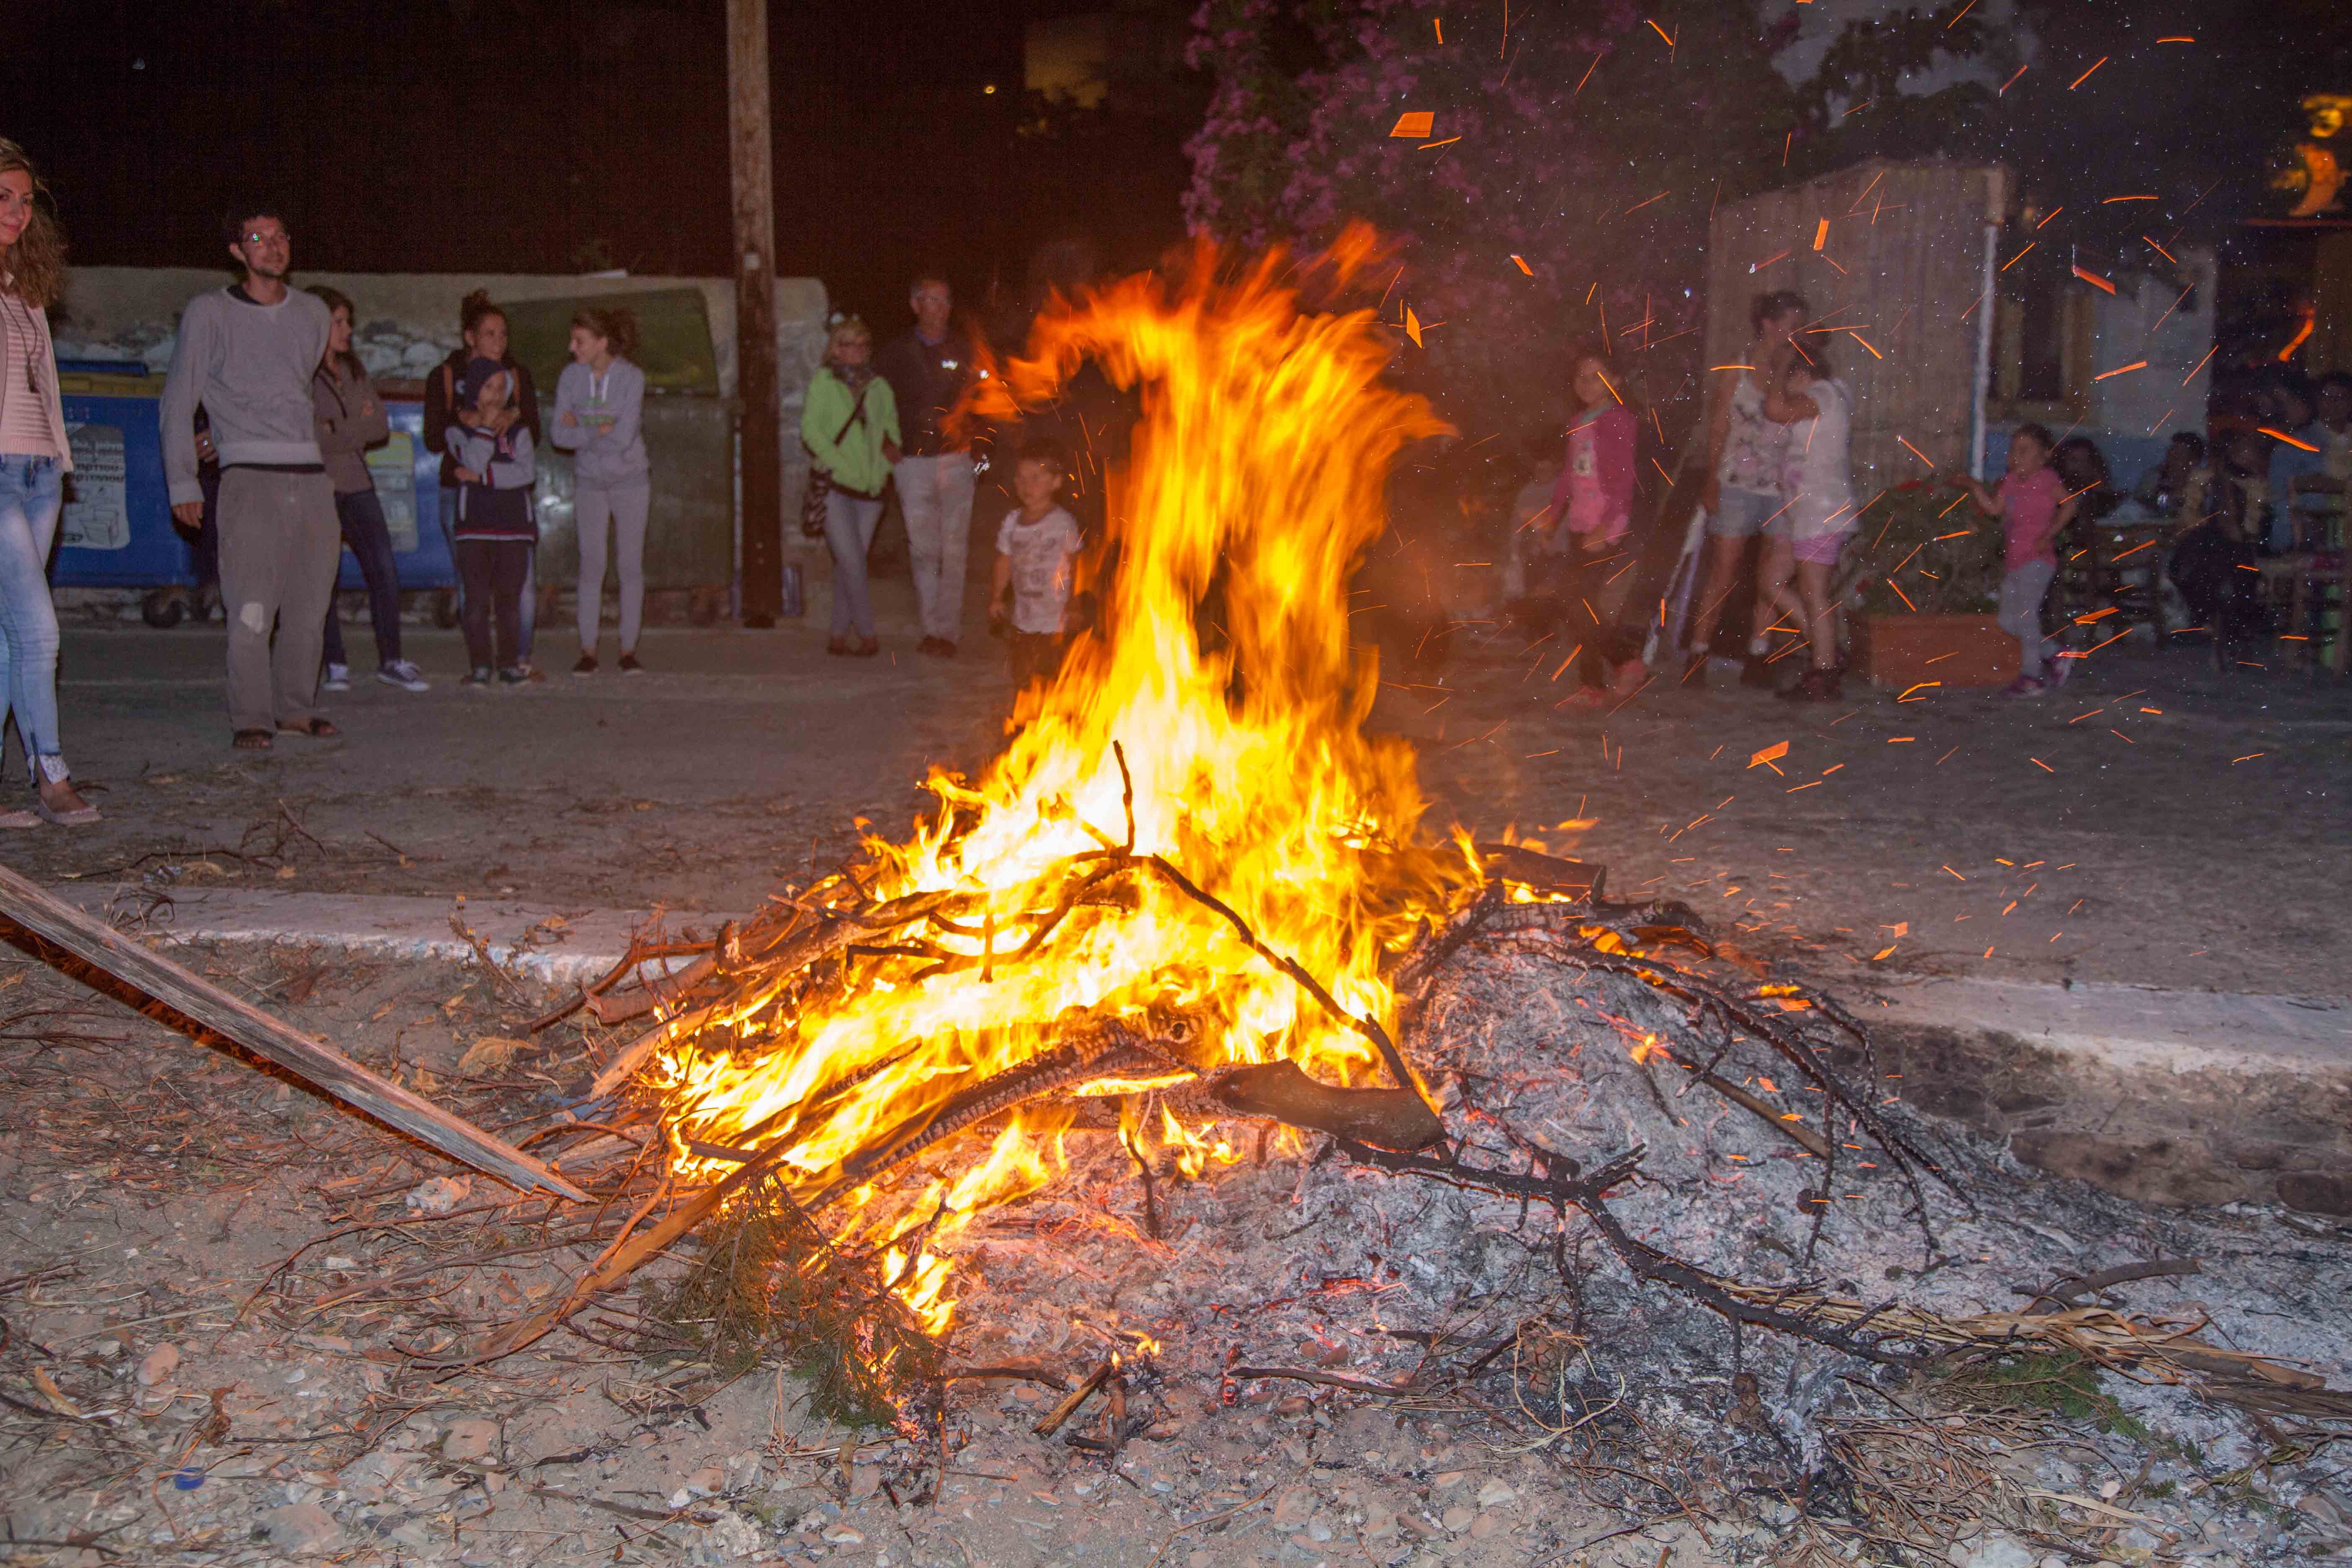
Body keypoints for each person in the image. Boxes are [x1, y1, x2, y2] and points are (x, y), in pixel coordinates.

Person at [160, 202, 340, 750]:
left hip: (310, 478)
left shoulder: (312, 313)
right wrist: (184, 479)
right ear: (238, 251)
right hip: (250, 482)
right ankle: (253, 717)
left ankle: (296, 708)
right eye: (259, 238)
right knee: (253, 609)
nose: (274, 246)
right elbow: (179, 398)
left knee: (310, 608)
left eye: (281, 235)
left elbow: (294, 388)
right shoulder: (209, 313)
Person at [0, 139, 95, 824]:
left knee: (8, 637)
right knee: (39, 631)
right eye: (2, 197)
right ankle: (51, 774)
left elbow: (46, 388)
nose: (16, 211)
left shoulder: (23, 289)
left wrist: (60, 460)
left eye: (26, 200)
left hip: (39, 472)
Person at [308, 286, 427, 694]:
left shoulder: (354, 371)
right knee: (324, 578)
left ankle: (391, 659)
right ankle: (335, 663)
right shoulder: (299, 373)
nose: (347, 330)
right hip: (320, 487)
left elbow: (378, 426)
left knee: (384, 571)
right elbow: (306, 434)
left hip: (359, 486)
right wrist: (345, 429)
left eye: (348, 322)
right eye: (338, 322)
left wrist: (334, 429)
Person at [1683, 291, 1806, 686]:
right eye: (1789, 323)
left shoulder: (1797, 371)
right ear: (1768, 324)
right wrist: (1711, 479)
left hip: (1781, 486)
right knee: (1723, 571)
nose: (1795, 332)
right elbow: (1718, 425)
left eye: (1799, 324)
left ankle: (1758, 655)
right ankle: (1699, 653)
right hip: (1737, 483)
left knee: (1772, 577)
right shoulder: (1736, 369)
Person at [425, 291, 543, 673]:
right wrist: (468, 420)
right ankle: (479, 662)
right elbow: (433, 437)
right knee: (471, 585)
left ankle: (517, 659)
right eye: (490, 334)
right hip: (461, 492)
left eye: (504, 335)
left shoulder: (517, 378)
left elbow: (533, 435)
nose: (499, 342)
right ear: (470, 338)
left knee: (519, 587)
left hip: (509, 499)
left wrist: (510, 417)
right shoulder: (446, 375)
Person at [877, 274, 978, 658]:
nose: (941, 308)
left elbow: (984, 398)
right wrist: (884, 441)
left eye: (946, 300)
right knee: (923, 549)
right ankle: (930, 628)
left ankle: (948, 632)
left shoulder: (966, 350)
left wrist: (981, 442)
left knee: (954, 549)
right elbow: (875, 401)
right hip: (912, 462)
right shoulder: (894, 353)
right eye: (931, 300)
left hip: (956, 458)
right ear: (915, 305)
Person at [552, 307, 650, 675]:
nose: (572, 347)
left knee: (629, 565)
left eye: (580, 341)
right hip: (590, 482)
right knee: (592, 564)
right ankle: (589, 650)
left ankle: (628, 650)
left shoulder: (631, 378)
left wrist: (584, 427)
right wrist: (601, 428)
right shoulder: (570, 377)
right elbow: (558, 434)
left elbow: (625, 438)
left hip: (631, 482)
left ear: (602, 343)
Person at [1759, 345, 1857, 702]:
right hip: (1803, 513)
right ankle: (1826, 649)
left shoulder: (1823, 395)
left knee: (1815, 592)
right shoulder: (1830, 394)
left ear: (1801, 374)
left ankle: (1824, 673)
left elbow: (1776, 408)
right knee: (1771, 581)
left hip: (1821, 512)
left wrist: (1779, 366)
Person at [1547, 351, 1642, 708]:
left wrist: (1606, 525)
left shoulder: (1618, 420)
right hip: (1580, 524)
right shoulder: (1580, 420)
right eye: (1580, 376)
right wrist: (1553, 515)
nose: (1585, 384)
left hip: (1605, 523)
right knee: (1578, 603)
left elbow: (1622, 481)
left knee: (1575, 599)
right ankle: (1603, 678)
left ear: (1615, 382)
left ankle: (1616, 667)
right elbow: (1569, 474)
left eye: (1596, 376)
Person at [1948, 424, 2072, 697]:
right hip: (2015, 561)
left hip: (2038, 560)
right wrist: (1972, 486)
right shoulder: (2011, 482)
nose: (2015, 456)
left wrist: (2049, 534)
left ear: (2044, 456)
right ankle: (2056, 655)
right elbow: (1994, 509)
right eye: (2013, 451)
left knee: (2027, 618)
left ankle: (2032, 677)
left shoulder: (2047, 479)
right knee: (2007, 620)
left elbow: (2070, 505)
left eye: (2024, 451)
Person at [802, 312, 900, 658]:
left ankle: (837, 634)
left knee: (851, 562)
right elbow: (811, 431)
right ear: (836, 350)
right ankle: (869, 633)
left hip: (871, 491)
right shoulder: (823, 383)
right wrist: (838, 462)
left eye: (862, 344)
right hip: (835, 486)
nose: (856, 350)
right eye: (848, 344)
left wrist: (886, 462)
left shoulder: (879, 387)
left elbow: (892, 432)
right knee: (854, 561)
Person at [445, 358, 537, 685]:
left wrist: (482, 477)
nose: (495, 396)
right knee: (476, 601)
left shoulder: (519, 431)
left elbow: (526, 472)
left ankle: (510, 663)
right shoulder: (458, 430)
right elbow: (470, 458)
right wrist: (484, 428)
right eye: (488, 388)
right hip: (475, 528)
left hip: (514, 528)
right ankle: (481, 666)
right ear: (473, 392)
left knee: (509, 602)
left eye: (501, 388)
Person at [990, 437, 1082, 698]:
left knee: (1053, 677)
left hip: (1056, 621)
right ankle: (1031, 725)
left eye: (1036, 478)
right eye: (1020, 478)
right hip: (1023, 619)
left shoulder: (1063, 522)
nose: (1025, 485)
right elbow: (1003, 561)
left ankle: (1055, 722)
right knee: (1023, 676)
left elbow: (1077, 563)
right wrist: (997, 597)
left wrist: (1074, 603)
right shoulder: (1012, 522)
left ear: (1056, 483)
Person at [2260, 373, 2324, 553]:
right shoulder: (2279, 442)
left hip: (2302, 538)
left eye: (2291, 401)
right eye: (2279, 403)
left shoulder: (2313, 443)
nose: (2284, 409)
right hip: (2287, 538)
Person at [2131, 432, 2211, 521]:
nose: (2171, 460)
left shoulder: (2203, 485)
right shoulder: (2154, 478)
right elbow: (2141, 504)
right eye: (2171, 453)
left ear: (2194, 461)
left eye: (2179, 456)